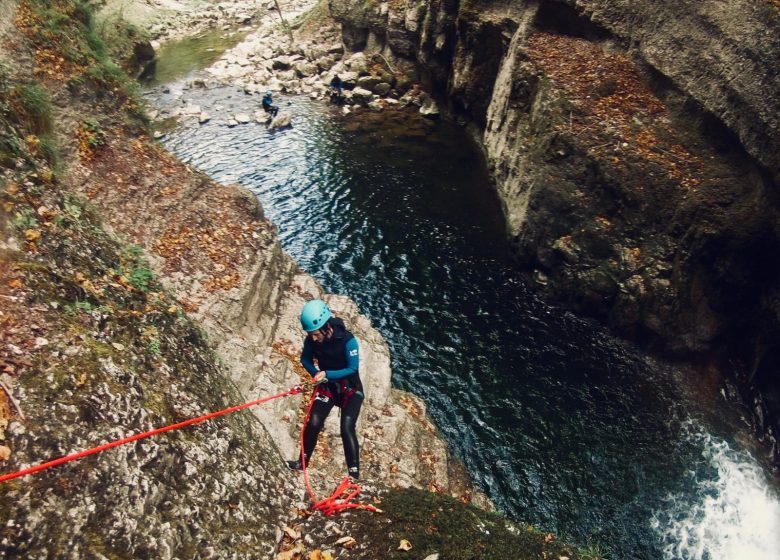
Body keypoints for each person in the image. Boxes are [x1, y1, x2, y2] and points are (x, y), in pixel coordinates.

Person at [287, 299, 363, 480]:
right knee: (313, 422)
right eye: (310, 334)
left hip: (350, 388)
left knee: (346, 428)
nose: (313, 338)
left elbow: (353, 369)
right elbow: (305, 360)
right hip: (327, 387)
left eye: (315, 334)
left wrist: (326, 373)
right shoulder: (312, 341)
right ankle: (301, 464)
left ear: (325, 326)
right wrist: (316, 374)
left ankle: (354, 475)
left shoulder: (348, 341)